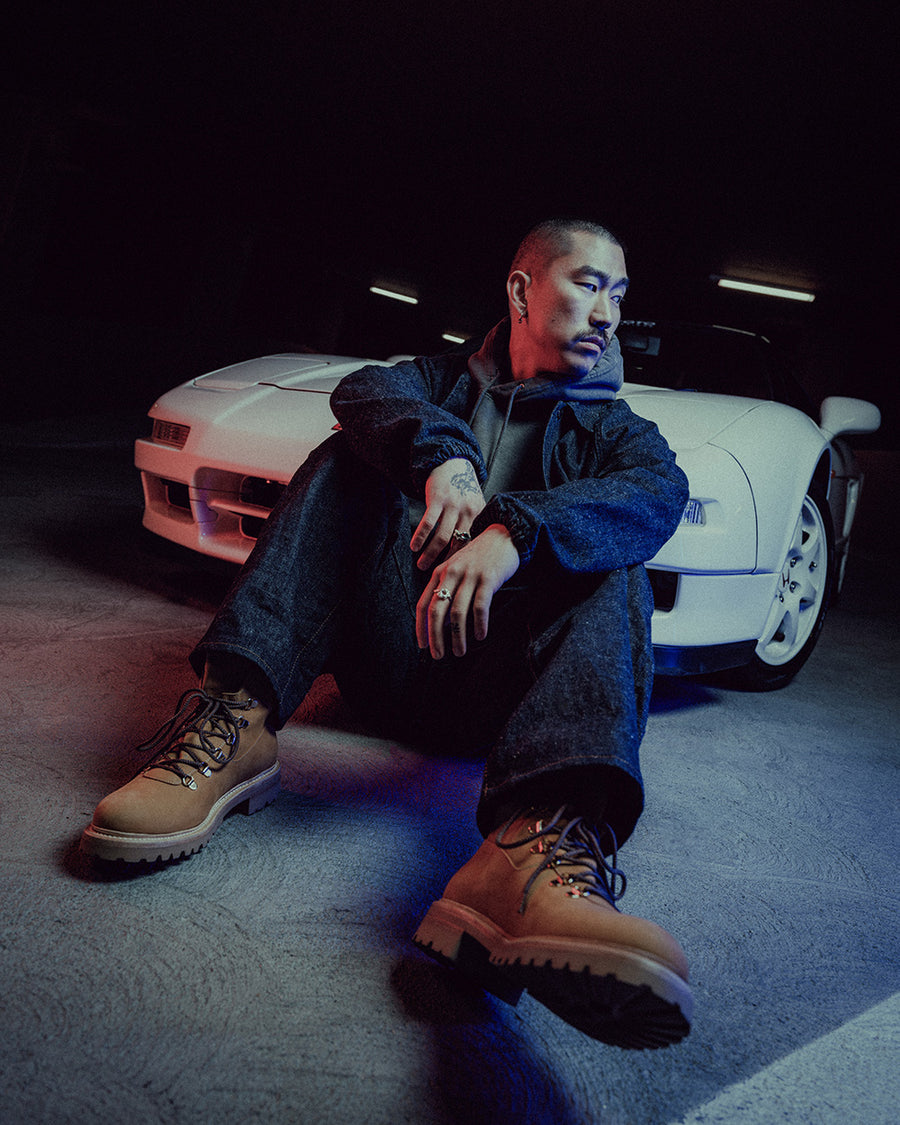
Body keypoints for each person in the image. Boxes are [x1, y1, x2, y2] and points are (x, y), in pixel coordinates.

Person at [82, 218, 693, 1049]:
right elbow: (362, 391)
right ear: (522, 291)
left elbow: (657, 494)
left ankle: (530, 850)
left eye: (619, 295)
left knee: (616, 554)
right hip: (393, 654)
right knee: (346, 456)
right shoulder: (434, 381)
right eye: (589, 284)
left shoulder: (620, 434)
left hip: (509, 703)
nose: (608, 313)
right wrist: (443, 459)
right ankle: (235, 726)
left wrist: (513, 531)